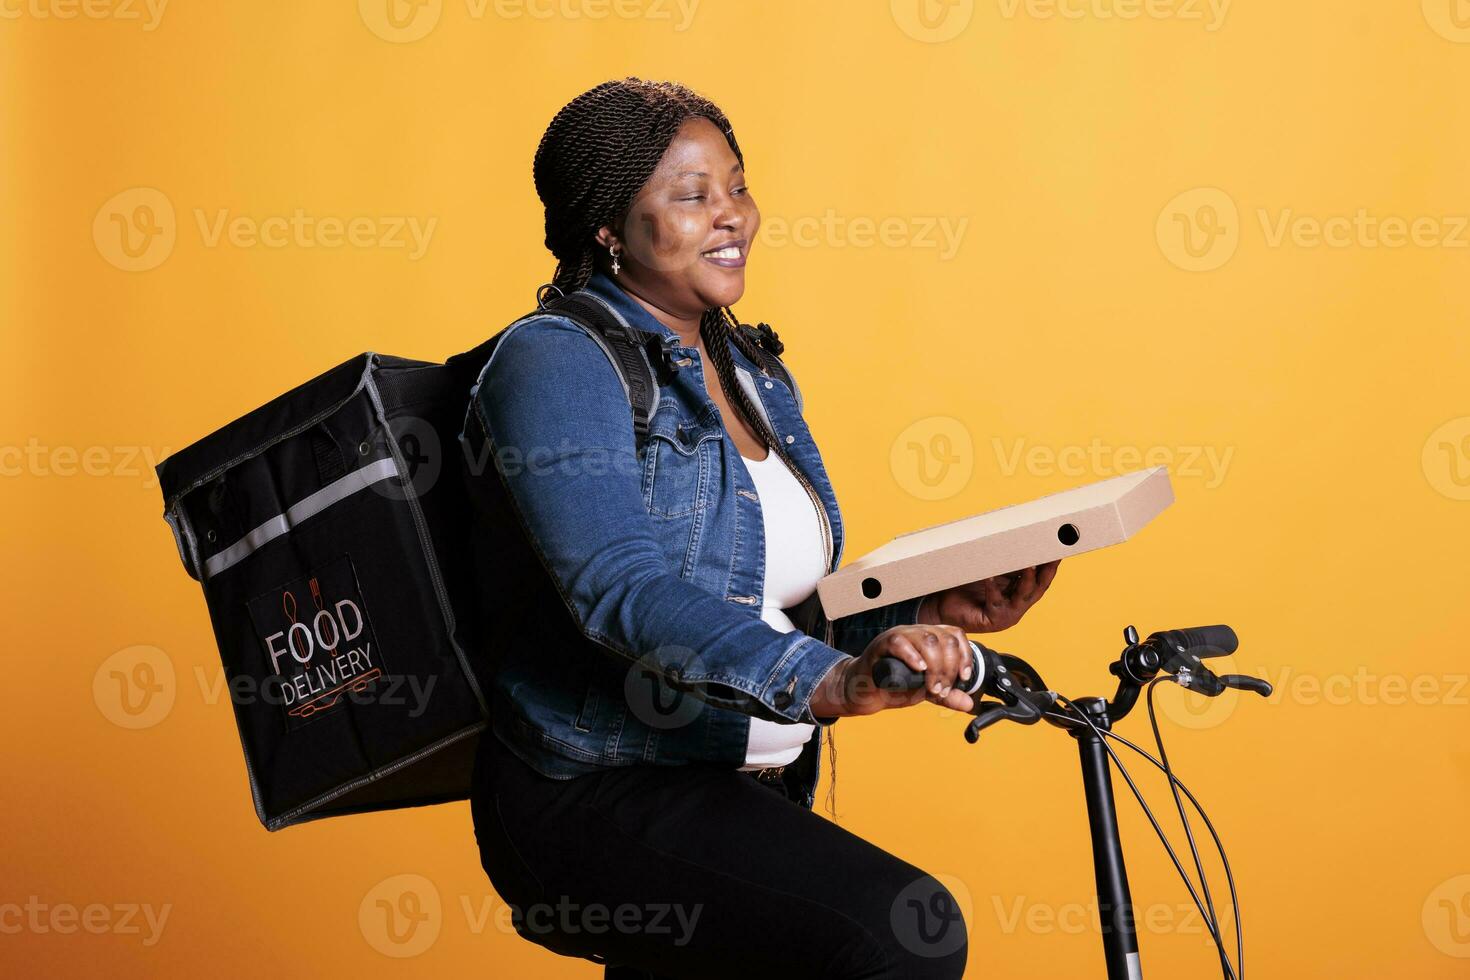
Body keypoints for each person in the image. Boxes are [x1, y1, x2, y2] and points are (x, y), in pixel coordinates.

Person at [462, 77, 1060, 979]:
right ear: (607, 225)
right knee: (904, 927)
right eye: (693, 196)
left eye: (737, 186)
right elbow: (622, 592)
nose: (732, 215)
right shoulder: (556, 361)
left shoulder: (749, 368)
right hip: (592, 787)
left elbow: (771, 606)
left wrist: (933, 605)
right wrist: (825, 680)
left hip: (745, 786)